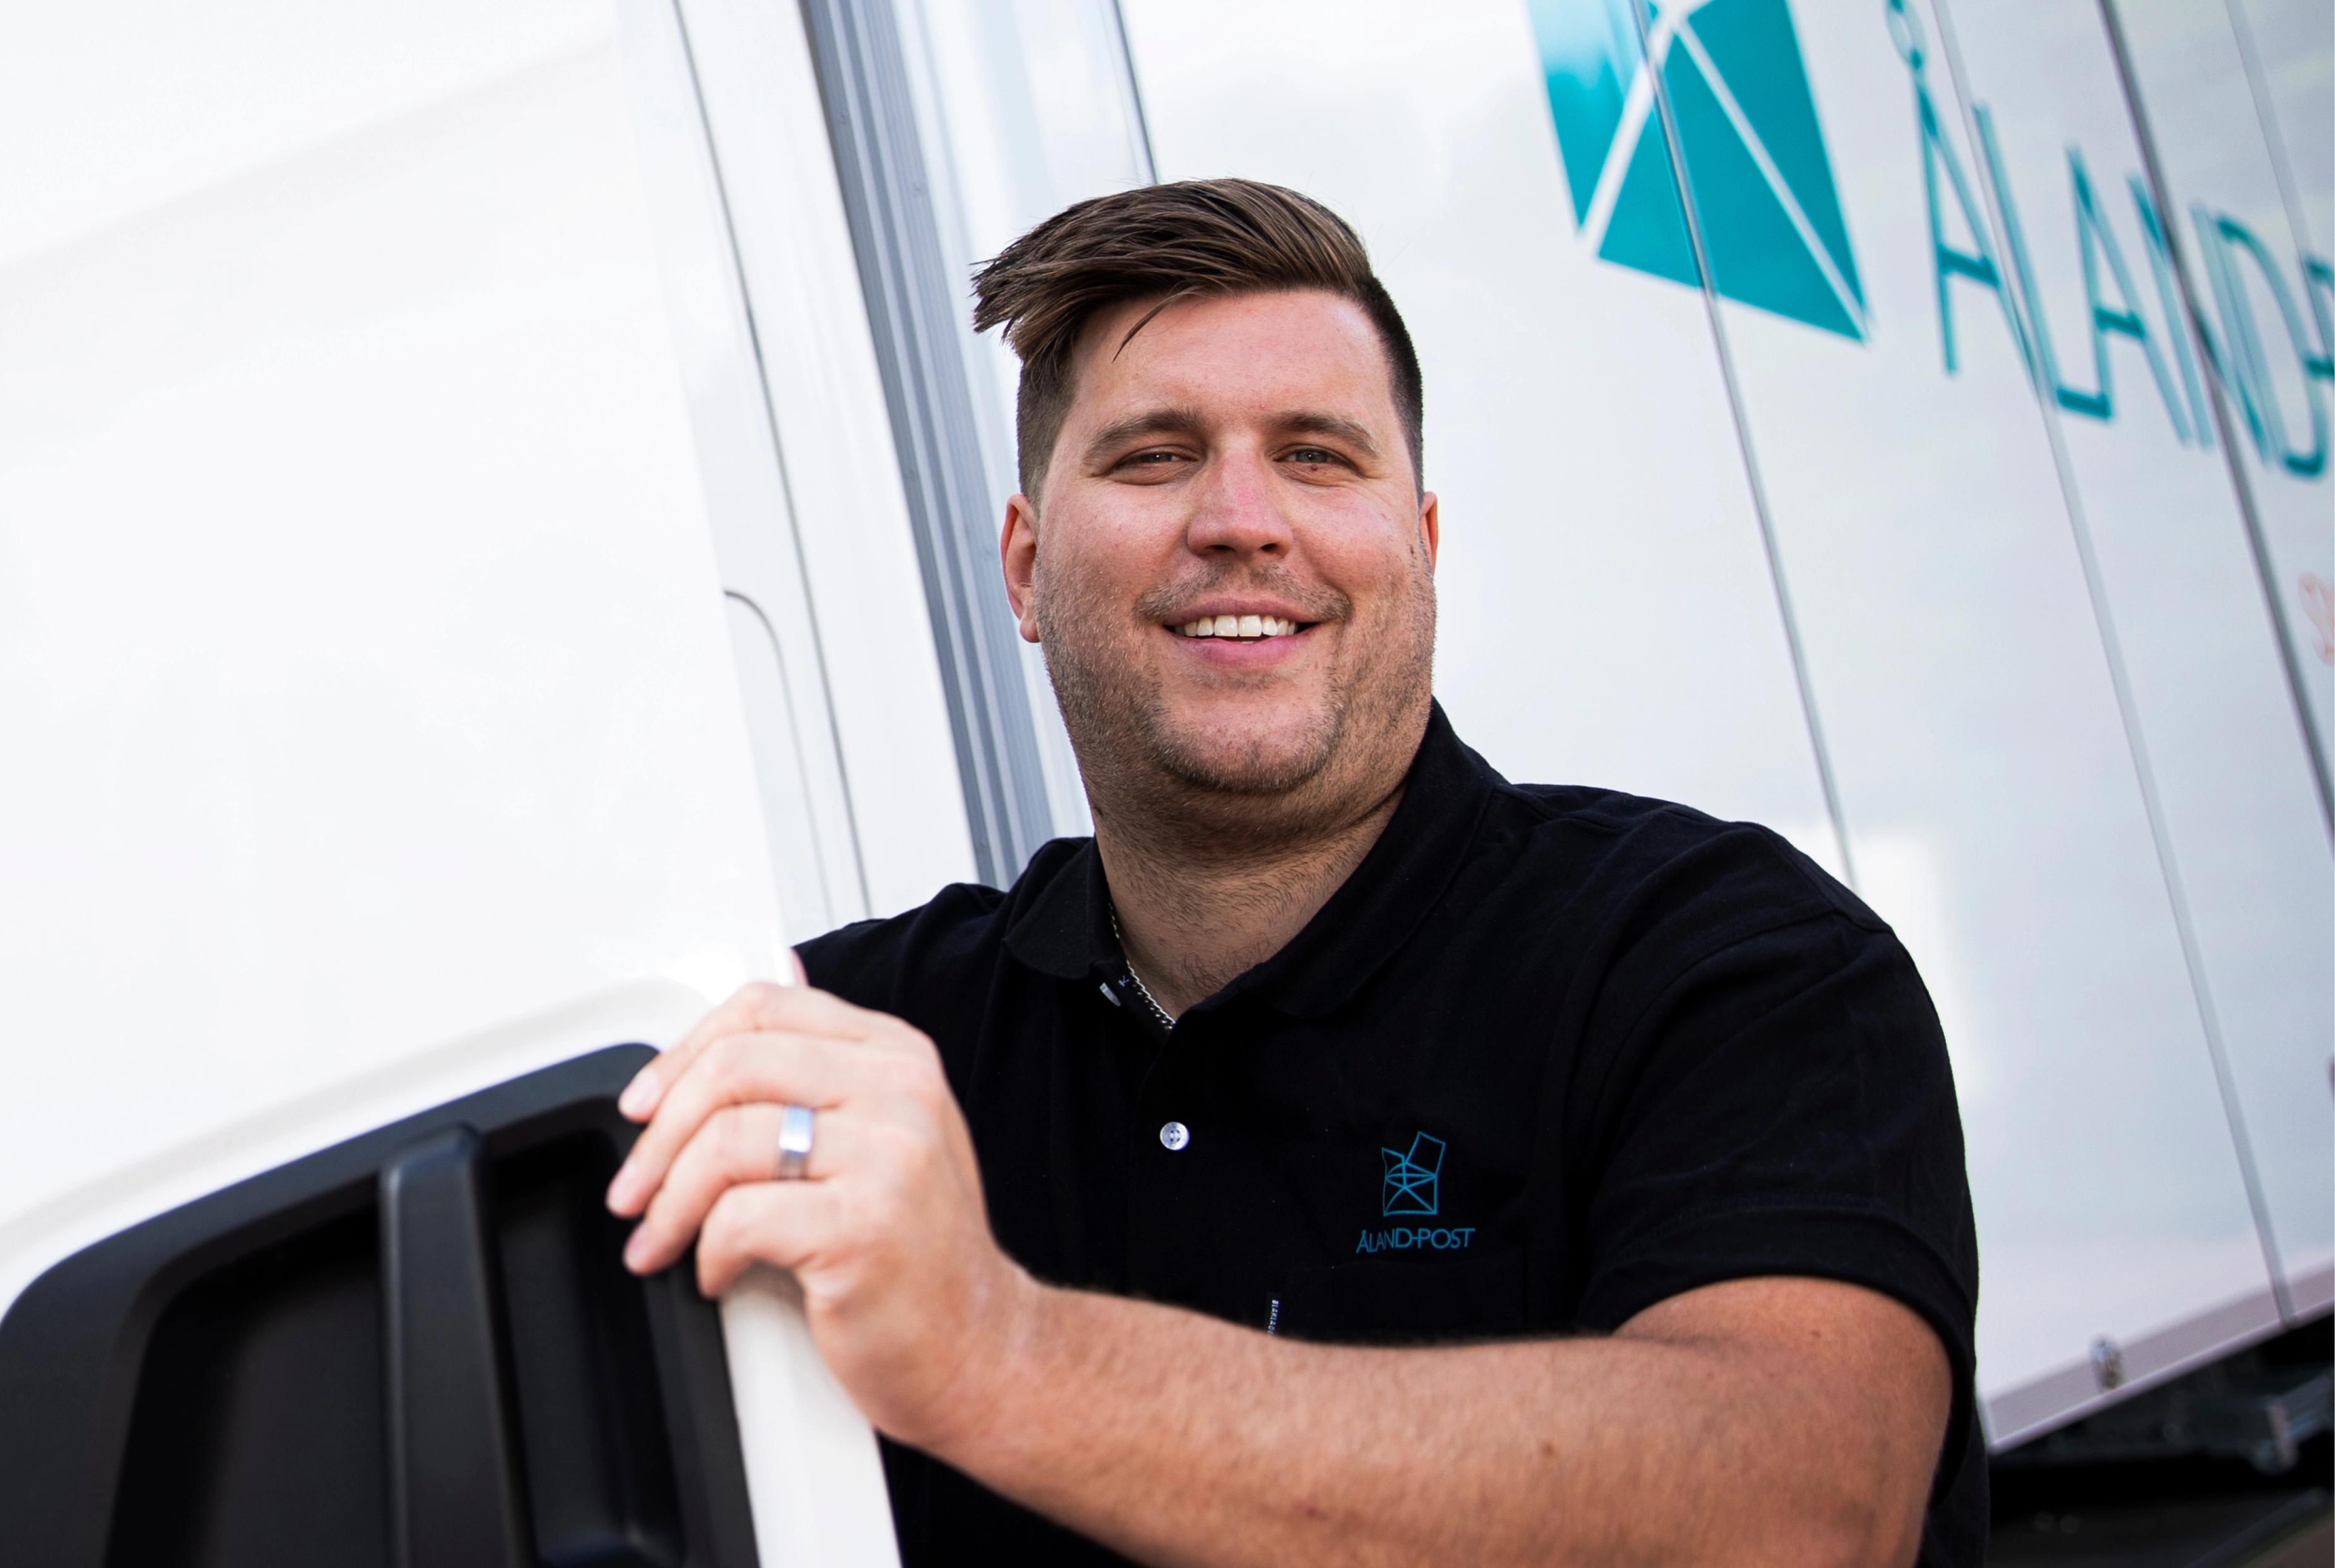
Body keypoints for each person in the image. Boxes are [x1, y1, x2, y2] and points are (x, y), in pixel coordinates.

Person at [604, 178, 1982, 1566]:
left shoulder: (1728, 963)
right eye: (1154, 456)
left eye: (1318, 456)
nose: (1242, 519)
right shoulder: (839, 1045)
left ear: (1422, 552)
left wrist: (998, 1351)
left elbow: (1801, 1514)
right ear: (1024, 569)